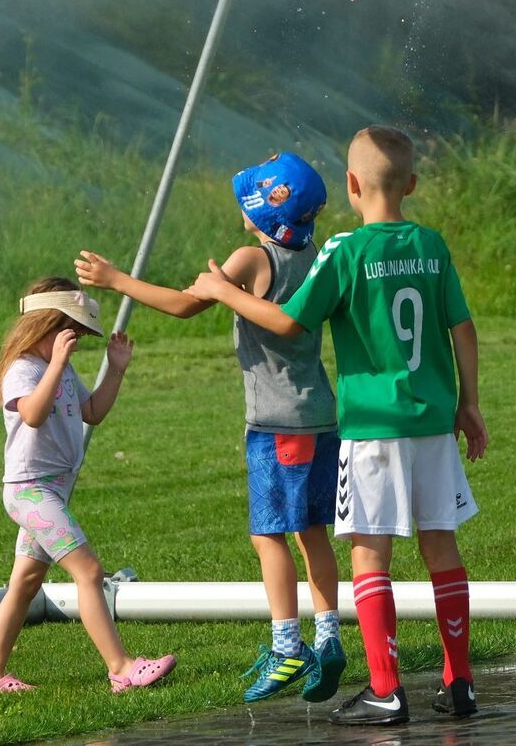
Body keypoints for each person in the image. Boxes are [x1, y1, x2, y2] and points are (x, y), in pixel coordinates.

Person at [189, 126, 488, 727]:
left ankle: (385, 689)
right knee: (442, 549)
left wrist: (223, 290)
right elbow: (463, 328)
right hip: (432, 422)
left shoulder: (345, 253)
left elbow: (288, 324)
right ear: (413, 184)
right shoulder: (433, 245)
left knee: (370, 557)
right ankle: (460, 683)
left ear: (352, 186)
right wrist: (469, 403)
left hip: (373, 430)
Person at [74, 151, 347, 704]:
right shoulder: (315, 255)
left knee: (267, 535)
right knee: (312, 532)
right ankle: (330, 636)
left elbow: (182, 306)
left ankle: (287, 644)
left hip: (277, 423)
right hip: (321, 415)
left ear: (266, 215)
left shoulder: (252, 258)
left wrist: (115, 279)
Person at [0, 276, 176, 694]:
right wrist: (55, 366)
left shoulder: (59, 370)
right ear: (45, 326)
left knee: (26, 583)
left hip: (52, 491)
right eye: (72, 332)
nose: (77, 343)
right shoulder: (24, 369)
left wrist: (116, 370)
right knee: (89, 571)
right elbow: (32, 413)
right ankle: (121, 668)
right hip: (31, 491)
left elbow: (92, 412)